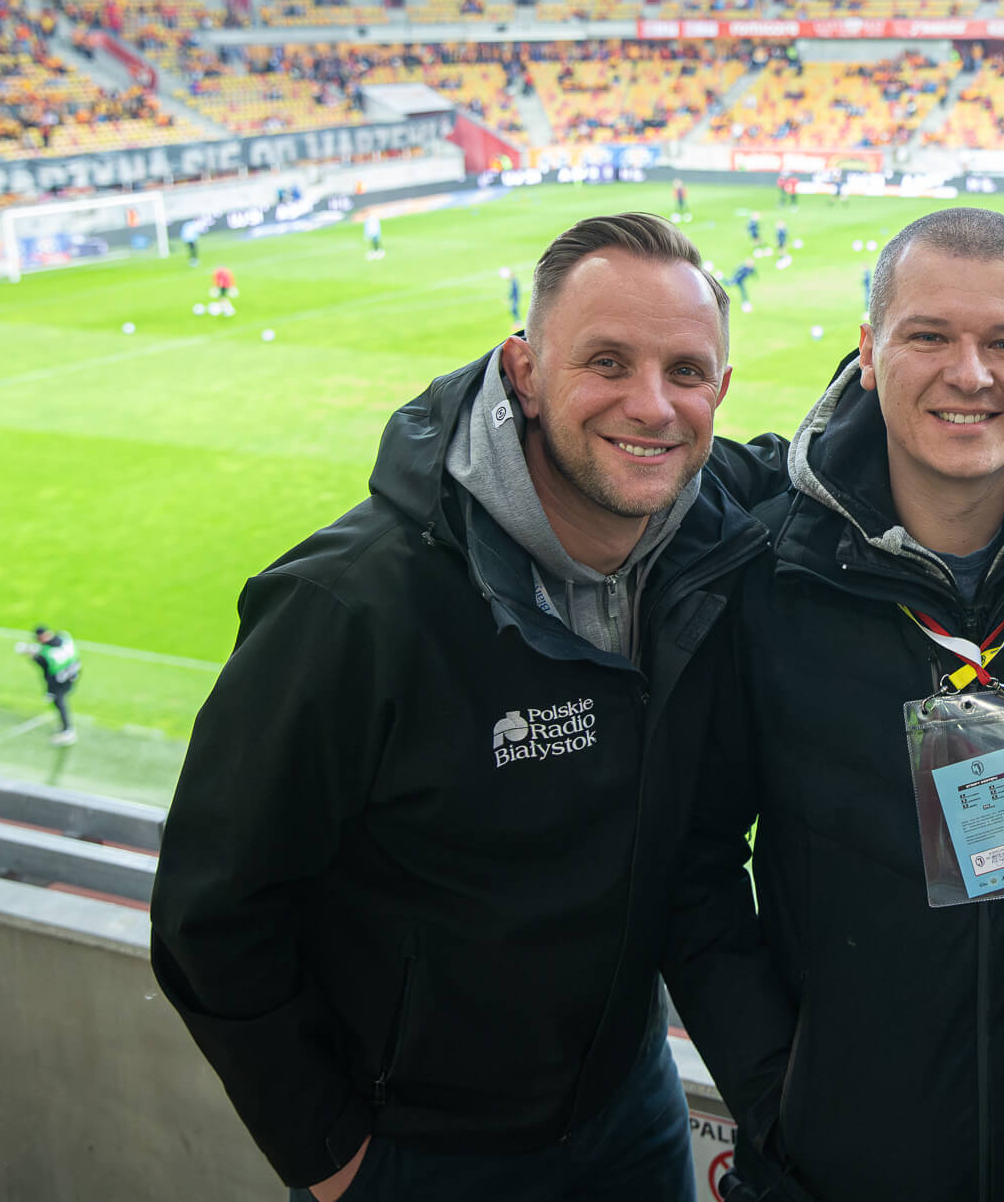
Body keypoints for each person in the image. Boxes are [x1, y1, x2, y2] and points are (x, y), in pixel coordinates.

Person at [150, 212, 764, 1202]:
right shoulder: (349, 606)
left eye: (685, 371)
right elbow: (211, 910)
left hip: (631, 1105)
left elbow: (859, 458)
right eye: (606, 361)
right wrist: (334, 1158)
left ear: (719, 394)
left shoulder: (708, 547)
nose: (651, 404)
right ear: (524, 370)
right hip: (420, 1151)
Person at [667, 207, 1004, 1202]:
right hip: (837, 1167)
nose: (969, 373)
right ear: (870, 354)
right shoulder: (765, 582)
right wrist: (780, 1093)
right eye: (928, 336)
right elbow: (693, 861)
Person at [15, 625, 81, 746]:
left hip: (61, 681)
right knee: (60, 701)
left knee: (59, 702)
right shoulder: (64, 637)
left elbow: (46, 671)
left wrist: (50, 691)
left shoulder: (46, 655)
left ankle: (68, 731)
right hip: (73, 672)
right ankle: (66, 728)